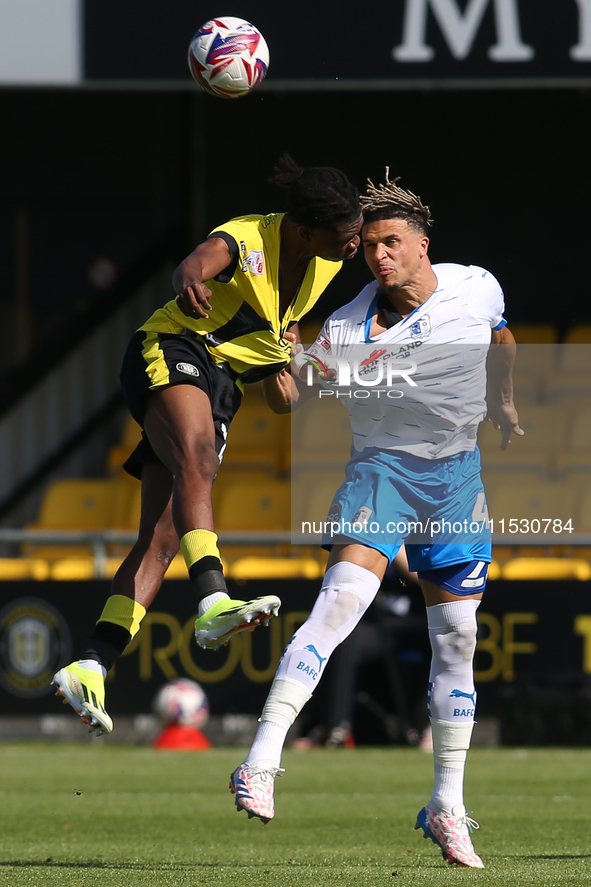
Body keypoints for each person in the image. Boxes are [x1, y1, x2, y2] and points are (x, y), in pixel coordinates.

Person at [229, 171, 522, 869]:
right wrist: (282, 359)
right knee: (338, 605)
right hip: (382, 475)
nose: (379, 255)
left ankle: (445, 805)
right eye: (370, 246)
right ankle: (259, 760)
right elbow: (289, 401)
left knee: (456, 640)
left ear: (423, 246)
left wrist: (502, 404)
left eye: (392, 242)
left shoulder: (473, 285)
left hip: (456, 482)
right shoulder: (345, 327)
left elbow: (501, 339)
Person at [51, 155, 363, 737]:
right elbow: (195, 263)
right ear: (304, 228)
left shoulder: (320, 270)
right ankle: (214, 601)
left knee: (162, 537)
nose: (353, 245)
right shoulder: (251, 237)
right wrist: (191, 282)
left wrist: (285, 360)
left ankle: (90, 664)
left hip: (219, 387)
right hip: (173, 347)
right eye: (343, 235)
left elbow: (283, 402)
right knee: (198, 459)